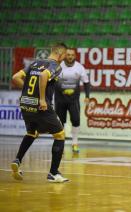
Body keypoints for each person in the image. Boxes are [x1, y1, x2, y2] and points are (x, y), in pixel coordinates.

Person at [11, 43, 69, 183]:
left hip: (26, 103)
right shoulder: (55, 66)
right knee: (60, 135)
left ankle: (17, 160)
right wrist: (42, 99)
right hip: (40, 105)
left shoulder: (35, 63)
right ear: (60, 54)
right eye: (65, 55)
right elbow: (44, 75)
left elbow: (15, 77)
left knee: (32, 132)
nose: (65, 58)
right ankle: (53, 173)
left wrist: (27, 93)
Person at [54, 48, 90, 153]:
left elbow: (86, 83)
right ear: (65, 55)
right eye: (68, 55)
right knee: (60, 123)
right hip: (60, 100)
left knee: (76, 120)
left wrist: (87, 96)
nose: (70, 57)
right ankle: (61, 143)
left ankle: (75, 143)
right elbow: (52, 81)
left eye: (72, 55)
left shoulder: (79, 67)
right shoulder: (58, 66)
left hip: (73, 100)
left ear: (75, 56)